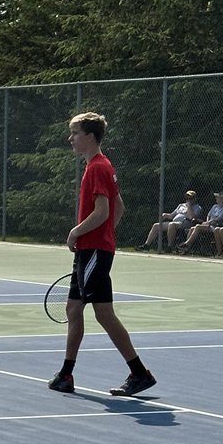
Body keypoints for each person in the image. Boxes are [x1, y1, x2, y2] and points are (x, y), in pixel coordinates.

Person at [49, 112, 156, 397]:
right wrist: (103, 236)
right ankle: (66, 374)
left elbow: (104, 211)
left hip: (93, 250)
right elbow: (118, 207)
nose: (70, 139)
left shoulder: (98, 167)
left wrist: (78, 233)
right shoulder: (100, 166)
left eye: (75, 133)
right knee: (74, 309)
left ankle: (139, 372)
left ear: (91, 136)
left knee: (103, 313)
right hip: (93, 249)